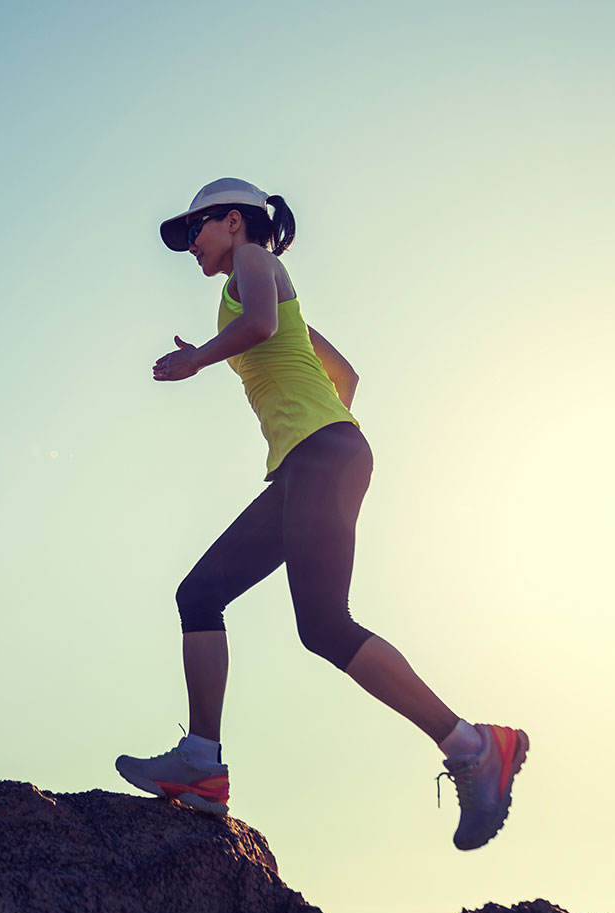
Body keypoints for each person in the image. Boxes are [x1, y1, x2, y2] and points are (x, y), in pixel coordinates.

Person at [114, 178, 530, 850]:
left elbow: (262, 327)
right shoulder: (263, 288)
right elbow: (345, 377)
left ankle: (478, 747)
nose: (190, 245)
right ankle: (201, 765)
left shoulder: (256, 260)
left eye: (195, 230)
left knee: (325, 624)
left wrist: (197, 358)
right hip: (315, 461)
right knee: (202, 594)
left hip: (322, 457)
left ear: (231, 221)